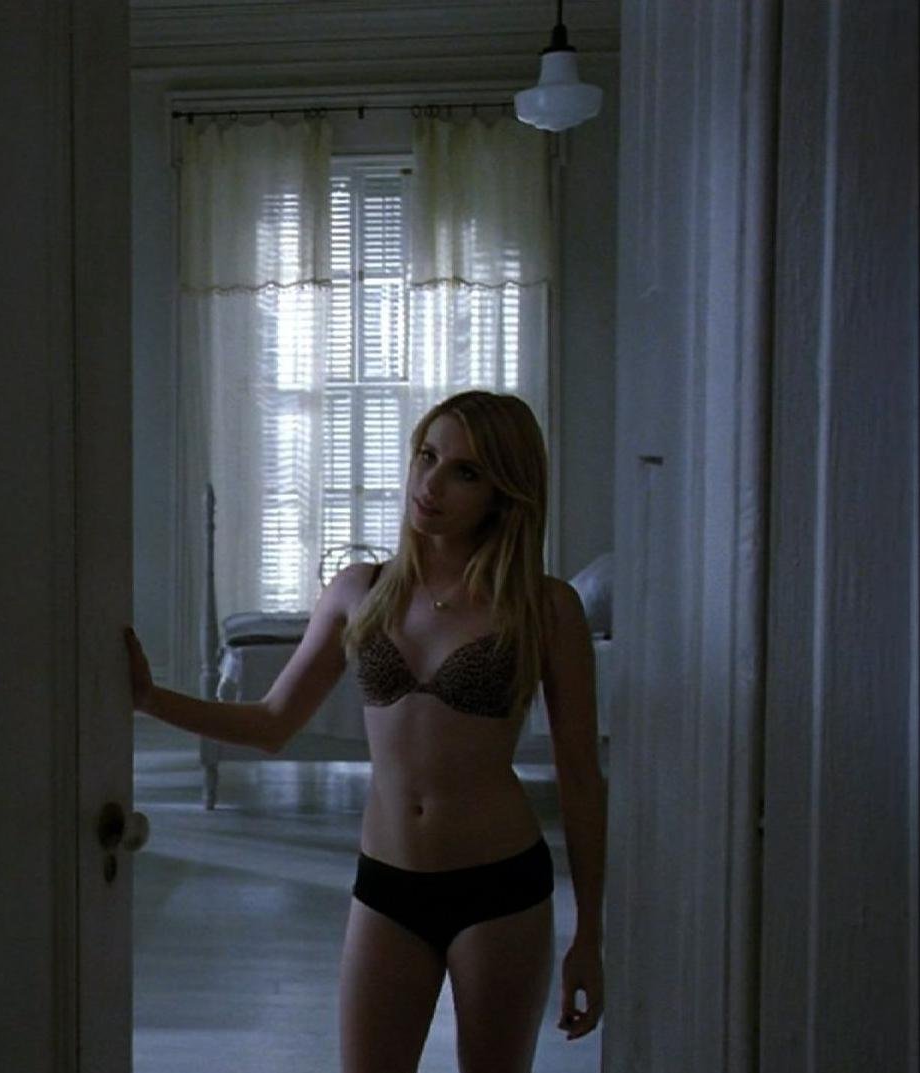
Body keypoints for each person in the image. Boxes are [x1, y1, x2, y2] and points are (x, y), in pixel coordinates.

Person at [125, 390, 605, 1073]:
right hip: (388, 884)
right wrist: (149, 699)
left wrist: (589, 935)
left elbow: (581, 778)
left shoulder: (546, 606)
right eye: (426, 456)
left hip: (500, 886)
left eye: (465, 472)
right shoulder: (360, 590)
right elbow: (271, 723)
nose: (430, 484)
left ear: (503, 493)